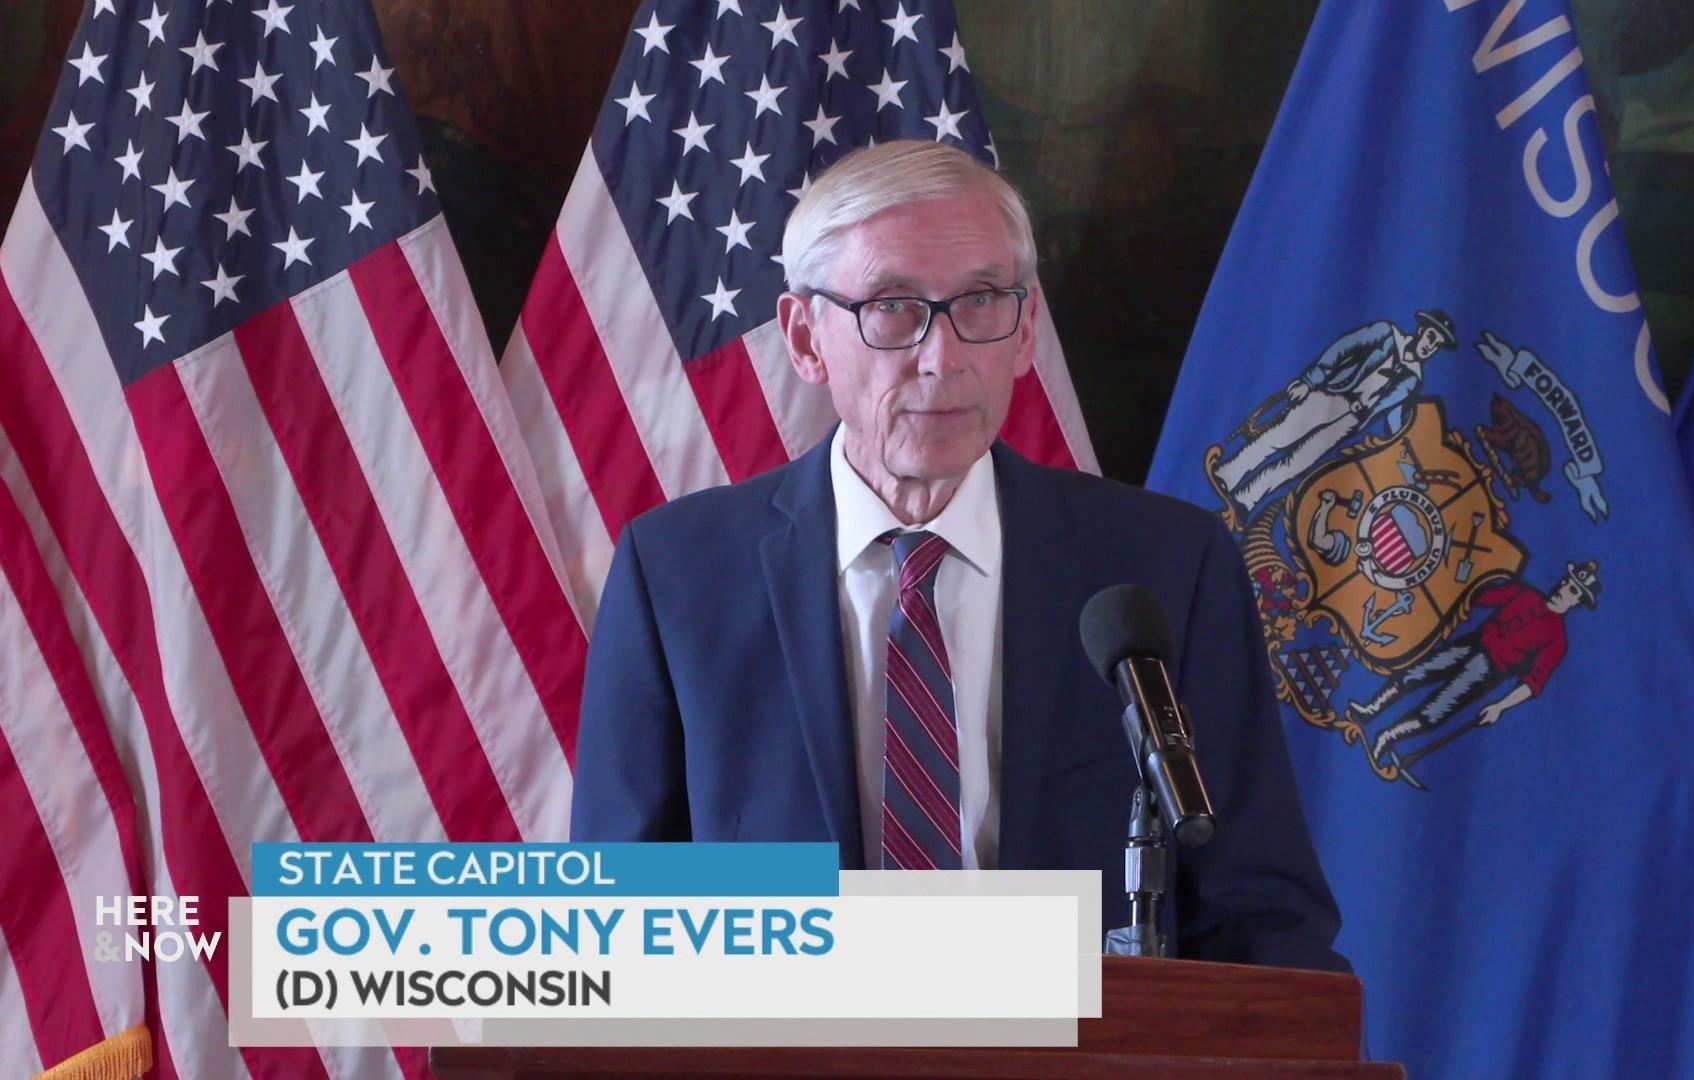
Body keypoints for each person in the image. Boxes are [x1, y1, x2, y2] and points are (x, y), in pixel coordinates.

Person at [571, 140, 1346, 971]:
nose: (943, 358)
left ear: (1025, 329)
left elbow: (1262, 916)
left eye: (980, 302)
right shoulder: (678, 575)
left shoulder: (1163, 566)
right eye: (892, 307)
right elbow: (617, 922)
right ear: (805, 337)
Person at [1353, 561, 1600, 764]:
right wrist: (1464, 580)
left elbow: (1533, 683)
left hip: (1488, 672)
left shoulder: (1557, 640)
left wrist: (1500, 707)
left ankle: (1387, 737)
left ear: (1577, 602)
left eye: (1573, 590)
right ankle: (1371, 710)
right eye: (1566, 582)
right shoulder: (1525, 594)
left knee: (1435, 711)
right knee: (1415, 674)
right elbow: (1481, 597)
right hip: (1472, 643)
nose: (1563, 588)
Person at [1213, 311, 1458, 514]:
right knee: (1278, 437)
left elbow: (1394, 413)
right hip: (1331, 395)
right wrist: (1310, 381)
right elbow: (1343, 348)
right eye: (1431, 336)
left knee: (1298, 462)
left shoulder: (1413, 379)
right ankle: (1228, 474)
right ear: (1421, 329)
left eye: (1437, 345)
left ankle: (1247, 498)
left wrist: (1402, 447)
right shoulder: (1386, 333)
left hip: (1351, 420)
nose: (1430, 346)